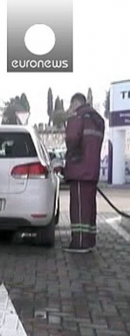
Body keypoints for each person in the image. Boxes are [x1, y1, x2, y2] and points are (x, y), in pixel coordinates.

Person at [63, 92, 105, 253]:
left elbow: (72, 139)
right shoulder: (98, 120)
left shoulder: (78, 118)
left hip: (79, 170)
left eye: (71, 105)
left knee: (79, 208)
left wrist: (70, 156)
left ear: (75, 103)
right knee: (89, 208)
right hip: (92, 171)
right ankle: (90, 240)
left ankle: (79, 243)